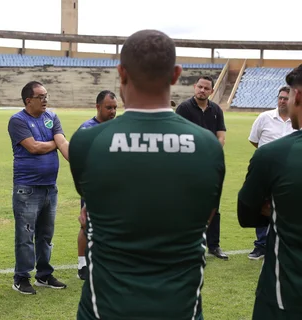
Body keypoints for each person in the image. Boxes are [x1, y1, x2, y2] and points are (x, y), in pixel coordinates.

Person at [69, 29, 225, 320]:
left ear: (121, 73)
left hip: (105, 308)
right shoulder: (209, 147)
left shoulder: (86, 142)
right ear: (176, 74)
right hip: (180, 308)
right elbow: (207, 215)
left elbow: (91, 204)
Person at [237, 64, 302, 320]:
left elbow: (246, 214)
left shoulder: (274, 155)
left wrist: (275, 207)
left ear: (298, 96)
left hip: (286, 293)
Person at [7, 81, 70, 295]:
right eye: (41, 96)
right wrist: (55, 143)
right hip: (28, 188)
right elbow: (33, 147)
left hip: (49, 188)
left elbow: (64, 144)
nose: (45, 100)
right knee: (25, 235)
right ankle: (21, 277)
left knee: (46, 234)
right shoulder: (18, 120)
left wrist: (77, 159)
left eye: (46, 95)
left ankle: (44, 274)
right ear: (28, 100)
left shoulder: (51, 117)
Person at [175, 76, 228, 260]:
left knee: (214, 206)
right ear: (194, 87)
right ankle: (189, 245)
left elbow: (221, 136)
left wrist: (212, 152)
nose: (202, 90)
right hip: (189, 165)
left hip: (211, 165)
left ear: (211, 91)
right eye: (200, 87)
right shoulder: (183, 108)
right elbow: (178, 136)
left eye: (206, 88)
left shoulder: (216, 110)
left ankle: (214, 246)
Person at [246, 86, 295, 260]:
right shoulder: (264, 117)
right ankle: (260, 245)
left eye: (285, 98)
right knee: (262, 207)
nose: (282, 101)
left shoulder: (298, 121)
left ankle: (282, 244)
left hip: (289, 172)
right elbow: (254, 141)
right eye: (280, 97)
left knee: (286, 207)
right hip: (265, 172)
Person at [76, 90, 118, 281]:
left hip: (114, 187)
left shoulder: (117, 128)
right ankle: (82, 265)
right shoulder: (87, 129)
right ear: (98, 106)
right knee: (88, 226)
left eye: (115, 108)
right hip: (94, 186)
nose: (113, 111)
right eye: (109, 107)